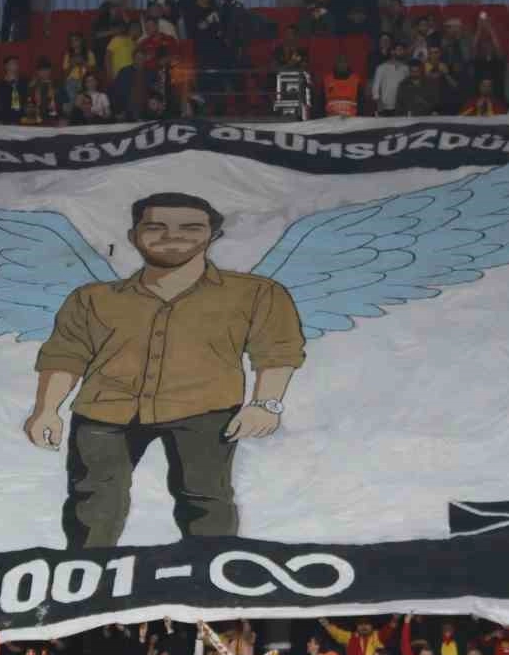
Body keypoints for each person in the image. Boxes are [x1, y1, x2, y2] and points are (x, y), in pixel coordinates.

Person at [26, 193, 306, 548]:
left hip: (206, 410)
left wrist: (265, 404)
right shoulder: (92, 298)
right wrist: (46, 410)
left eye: (190, 227)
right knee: (93, 501)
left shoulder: (258, 293)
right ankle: (87, 573)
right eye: (156, 227)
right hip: (103, 412)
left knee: (206, 499)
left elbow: (278, 351)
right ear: (133, 236)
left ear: (213, 235)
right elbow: (65, 355)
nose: (172, 236)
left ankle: (209, 573)